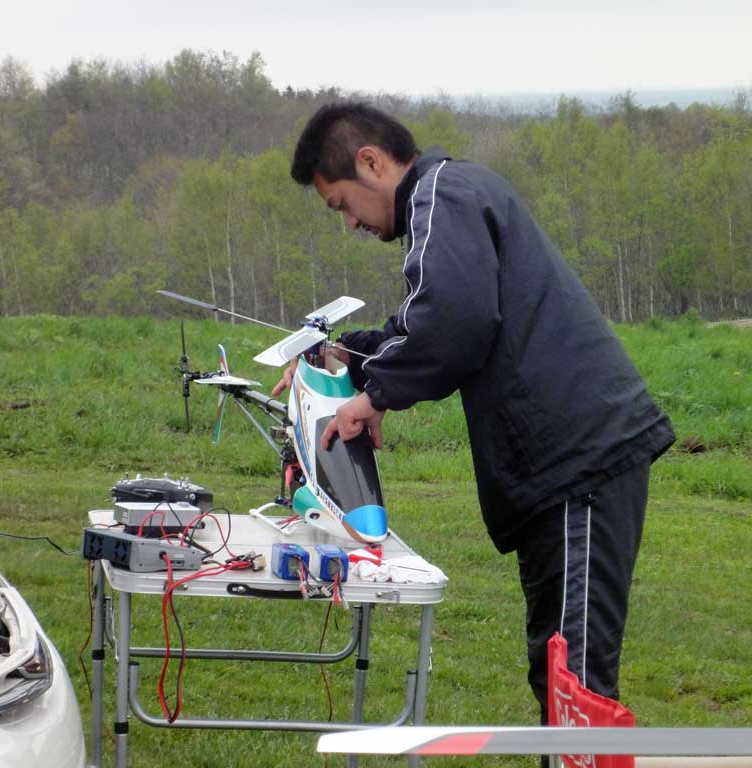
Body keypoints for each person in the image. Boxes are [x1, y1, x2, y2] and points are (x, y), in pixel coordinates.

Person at [276, 102, 675, 725]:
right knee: (556, 665)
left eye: (342, 205)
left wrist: (374, 396)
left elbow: (454, 323)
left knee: (575, 678)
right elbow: (424, 323)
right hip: (564, 471)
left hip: (581, 467)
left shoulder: (442, 195)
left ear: (371, 162)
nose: (350, 223)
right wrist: (345, 356)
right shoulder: (450, 194)